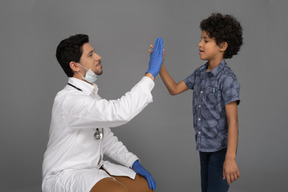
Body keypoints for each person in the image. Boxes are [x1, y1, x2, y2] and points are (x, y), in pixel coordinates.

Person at [42, 34, 163, 192]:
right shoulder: (68, 100)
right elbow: (119, 112)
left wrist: (133, 162)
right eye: (90, 55)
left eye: (95, 52)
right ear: (75, 66)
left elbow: (104, 138)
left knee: (144, 188)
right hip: (66, 174)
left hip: (93, 169)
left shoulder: (90, 96)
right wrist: (150, 74)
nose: (98, 57)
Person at [155, 13, 243, 192]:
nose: (199, 44)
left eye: (206, 40)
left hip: (220, 150)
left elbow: (233, 121)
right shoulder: (199, 73)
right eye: (201, 39)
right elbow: (174, 89)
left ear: (222, 46)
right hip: (204, 147)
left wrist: (230, 158)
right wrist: (159, 65)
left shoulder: (227, 79)